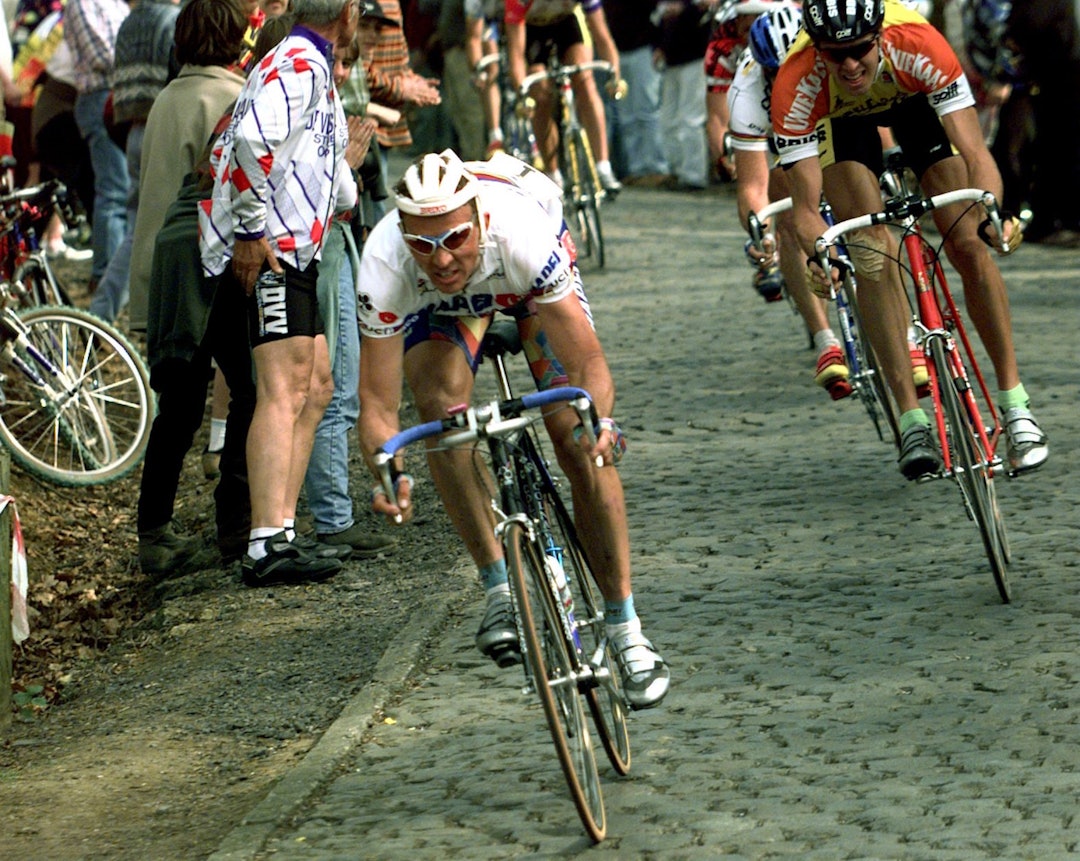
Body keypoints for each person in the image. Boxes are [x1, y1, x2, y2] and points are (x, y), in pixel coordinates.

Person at [355, 149, 670, 710]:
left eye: (455, 238)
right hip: (447, 308)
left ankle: (626, 628)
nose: (441, 258)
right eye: (423, 244)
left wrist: (601, 422)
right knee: (441, 413)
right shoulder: (385, 263)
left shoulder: (521, 232)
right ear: (402, 235)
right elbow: (377, 405)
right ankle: (499, 585)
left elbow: (587, 363)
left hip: (526, 284)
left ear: (479, 220)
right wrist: (387, 472)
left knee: (578, 437)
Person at [770, 0, 1049, 478]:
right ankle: (911, 420)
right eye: (835, 54)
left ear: (879, 37)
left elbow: (975, 153)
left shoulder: (919, 46)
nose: (850, 64)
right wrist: (823, 253)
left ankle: (1016, 405)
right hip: (839, 123)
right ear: (817, 51)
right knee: (871, 253)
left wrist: (993, 213)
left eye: (859, 49)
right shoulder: (797, 81)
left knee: (967, 241)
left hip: (913, 100)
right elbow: (806, 210)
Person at [200, 0, 361, 586]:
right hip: (272, 249)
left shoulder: (314, 63)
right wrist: (249, 230)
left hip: (297, 248)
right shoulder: (296, 61)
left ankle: (283, 530)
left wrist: (344, 195)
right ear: (348, 13)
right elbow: (248, 139)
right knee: (284, 388)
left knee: (316, 385)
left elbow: (315, 156)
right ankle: (264, 542)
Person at [136, 0, 254, 575]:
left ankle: (153, 531)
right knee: (250, 389)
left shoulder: (165, 100)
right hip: (212, 265)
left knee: (178, 408)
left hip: (162, 271)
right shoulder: (231, 97)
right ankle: (237, 519)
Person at [302, 9, 398, 557]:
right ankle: (333, 518)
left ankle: (327, 512)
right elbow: (336, 189)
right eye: (339, 60)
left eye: (346, 64)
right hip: (325, 240)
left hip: (330, 238)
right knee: (334, 384)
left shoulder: (308, 84)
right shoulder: (311, 89)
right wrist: (349, 163)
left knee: (329, 383)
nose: (341, 72)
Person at [729, 4, 853, 400]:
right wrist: (761, 233)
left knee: (856, 188)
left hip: (829, 116)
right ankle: (824, 337)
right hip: (779, 135)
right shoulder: (746, 89)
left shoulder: (833, 58)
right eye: (775, 72)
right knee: (786, 203)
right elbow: (753, 185)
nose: (786, 80)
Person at [89, 0, 181, 324]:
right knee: (155, 229)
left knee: (135, 227)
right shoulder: (172, 20)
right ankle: (111, 315)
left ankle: (102, 313)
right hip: (163, 129)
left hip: (133, 132)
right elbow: (179, 77)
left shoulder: (128, 22)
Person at [504, 0, 624, 193]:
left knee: (584, 79)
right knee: (539, 94)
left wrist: (614, 77)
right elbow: (516, 56)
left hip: (568, 23)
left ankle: (603, 166)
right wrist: (523, 95)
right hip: (533, 29)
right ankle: (553, 173)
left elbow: (603, 37)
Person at [63, 0, 130, 295]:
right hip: (100, 96)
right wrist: (143, 58)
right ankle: (105, 279)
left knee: (124, 191)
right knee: (114, 192)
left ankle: (117, 279)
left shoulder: (115, 3)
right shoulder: (82, 4)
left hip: (120, 96)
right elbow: (102, 56)